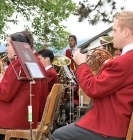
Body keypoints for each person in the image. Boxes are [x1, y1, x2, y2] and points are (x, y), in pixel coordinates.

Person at [52, 11, 133, 140]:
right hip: (116, 120)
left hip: (109, 125)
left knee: (58, 136)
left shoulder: (122, 62)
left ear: (126, 32)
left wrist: (82, 64)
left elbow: (92, 88)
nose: (112, 35)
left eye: (115, 30)